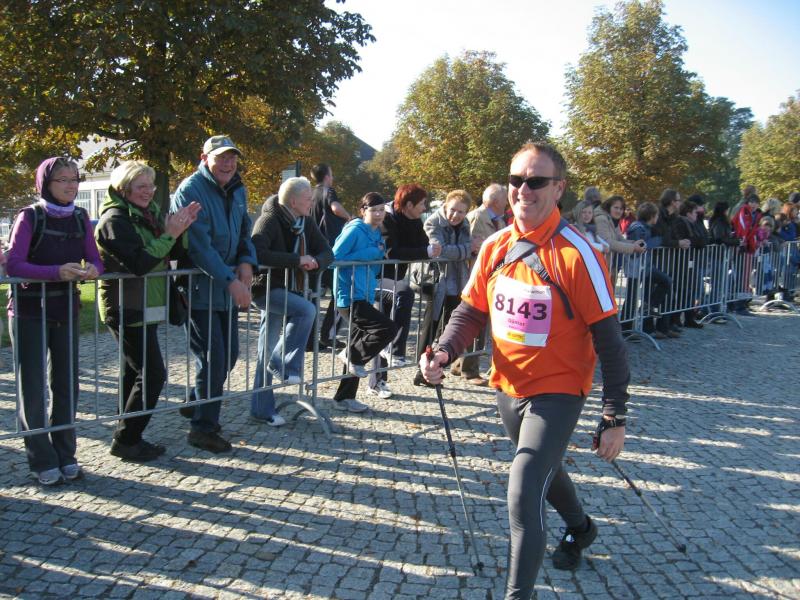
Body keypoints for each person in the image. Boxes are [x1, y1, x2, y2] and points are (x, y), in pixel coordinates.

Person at [420, 142, 629, 599]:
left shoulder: (579, 254)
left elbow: (610, 342)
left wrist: (614, 415)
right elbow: (470, 311)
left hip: (559, 390)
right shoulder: (495, 245)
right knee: (542, 469)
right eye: (516, 180)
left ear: (559, 189)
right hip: (508, 386)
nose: (523, 190)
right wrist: (444, 351)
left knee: (523, 486)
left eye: (536, 181)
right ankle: (581, 528)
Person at [6, 157, 104, 485]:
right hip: (29, 311)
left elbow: (95, 259)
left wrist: (93, 270)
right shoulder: (29, 216)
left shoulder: (80, 217)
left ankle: (66, 454)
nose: (71, 185)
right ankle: (41, 458)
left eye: (74, 179)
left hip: (65, 308)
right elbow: (15, 264)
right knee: (32, 388)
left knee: (67, 385)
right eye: (62, 179)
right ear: (46, 184)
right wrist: (55, 272)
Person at [95, 160, 200, 461]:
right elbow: (140, 263)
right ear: (123, 188)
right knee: (153, 374)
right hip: (126, 306)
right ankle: (127, 439)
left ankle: (126, 432)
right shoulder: (114, 220)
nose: (148, 191)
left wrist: (181, 229)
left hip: (149, 304)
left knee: (133, 372)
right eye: (141, 186)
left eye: (151, 185)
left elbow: (175, 252)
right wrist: (170, 233)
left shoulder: (150, 214)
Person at [171, 135, 258, 453]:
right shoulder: (190, 191)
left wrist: (247, 260)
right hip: (199, 290)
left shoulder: (238, 189)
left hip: (225, 291)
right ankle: (203, 429)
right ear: (204, 158)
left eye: (232, 157)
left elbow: (245, 230)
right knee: (213, 358)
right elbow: (199, 247)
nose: (228, 163)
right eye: (221, 157)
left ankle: (196, 402)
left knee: (229, 356)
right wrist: (230, 281)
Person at [250, 177, 332, 426]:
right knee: (306, 311)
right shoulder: (268, 220)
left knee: (266, 348)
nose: (312, 203)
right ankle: (282, 363)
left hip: (290, 289)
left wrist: (316, 261)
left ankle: (261, 409)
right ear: (294, 201)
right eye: (308, 199)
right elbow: (257, 253)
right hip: (266, 289)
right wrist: (296, 261)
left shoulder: (305, 221)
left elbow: (327, 251)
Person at [367, 184, 440, 399]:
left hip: (396, 279)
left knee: (386, 325)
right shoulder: (387, 219)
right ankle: (376, 379)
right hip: (377, 279)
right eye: (422, 204)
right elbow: (393, 251)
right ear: (408, 205)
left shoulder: (414, 219)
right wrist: (425, 251)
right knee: (380, 326)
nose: (424, 208)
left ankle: (381, 374)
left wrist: (430, 249)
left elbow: (422, 244)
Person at [330, 192, 398, 412]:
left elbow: (373, 264)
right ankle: (349, 355)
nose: (378, 214)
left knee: (357, 349)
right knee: (387, 328)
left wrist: (376, 256)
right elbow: (333, 257)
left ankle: (344, 398)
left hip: (364, 294)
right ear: (363, 211)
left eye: (381, 210)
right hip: (349, 296)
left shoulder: (377, 233)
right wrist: (371, 253)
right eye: (374, 210)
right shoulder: (354, 229)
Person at [413, 189, 480, 387]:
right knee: (430, 327)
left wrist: (462, 250)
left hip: (457, 282)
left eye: (461, 212)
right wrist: (468, 249)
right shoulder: (433, 222)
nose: (455, 215)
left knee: (448, 330)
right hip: (436, 280)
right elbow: (438, 251)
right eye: (452, 210)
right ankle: (421, 370)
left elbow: (451, 250)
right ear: (445, 205)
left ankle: (436, 370)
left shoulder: (465, 224)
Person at [450, 183, 508, 386]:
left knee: (483, 326)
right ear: (496, 201)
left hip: (493, 277)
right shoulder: (476, 217)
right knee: (476, 325)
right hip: (476, 278)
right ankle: (469, 370)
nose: (508, 202)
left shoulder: (499, 220)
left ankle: (459, 364)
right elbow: (471, 248)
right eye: (505, 198)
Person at [310, 163, 352, 351]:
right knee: (340, 292)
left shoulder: (310, 194)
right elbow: (335, 208)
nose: (332, 178)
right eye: (332, 174)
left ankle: (309, 340)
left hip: (312, 250)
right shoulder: (328, 191)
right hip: (329, 250)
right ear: (327, 176)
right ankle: (328, 334)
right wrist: (349, 217)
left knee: (311, 296)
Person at [625, 202, 674, 338]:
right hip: (635, 267)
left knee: (666, 281)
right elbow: (639, 247)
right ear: (652, 216)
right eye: (656, 216)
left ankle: (648, 306)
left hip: (645, 266)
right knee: (631, 298)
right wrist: (657, 240)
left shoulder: (645, 227)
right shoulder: (637, 228)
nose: (657, 218)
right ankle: (625, 329)